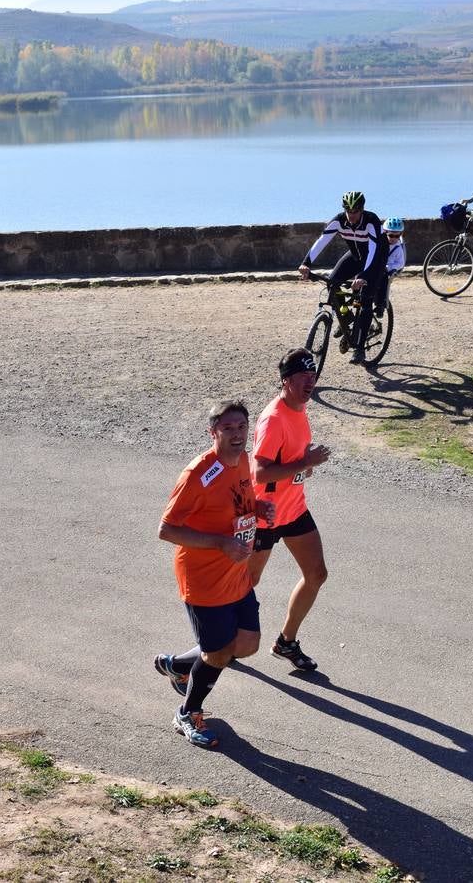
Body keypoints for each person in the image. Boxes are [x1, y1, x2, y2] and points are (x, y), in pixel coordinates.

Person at [154, 400, 276, 748]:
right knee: (219, 654)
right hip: (205, 580)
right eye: (228, 429)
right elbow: (166, 529)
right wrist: (220, 543)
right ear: (213, 433)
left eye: (241, 427)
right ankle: (187, 713)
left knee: (247, 644)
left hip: (235, 572)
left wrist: (258, 507)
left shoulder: (242, 461)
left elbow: (238, 502)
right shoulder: (197, 474)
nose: (237, 435)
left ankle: (177, 665)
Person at [248, 349, 333, 672]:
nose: (310, 383)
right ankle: (212, 643)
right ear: (286, 381)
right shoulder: (273, 418)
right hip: (265, 515)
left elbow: (292, 463)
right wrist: (305, 462)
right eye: (303, 377)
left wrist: (304, 462)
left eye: (313, 377)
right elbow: (260, 473)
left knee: (317, 574)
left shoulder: (299, 408)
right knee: (246, 583)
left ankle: (286, 642)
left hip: (293, 508)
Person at [298, 190, 387, 365]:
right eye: (348, 211)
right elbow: (322, 241)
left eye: (355, 211)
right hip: (355, 257)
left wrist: (363, 276)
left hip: (375, 260)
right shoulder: (339, 220)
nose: (351, 215)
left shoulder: (371, 221)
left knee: (365, 299)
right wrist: (306, 263)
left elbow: (373, 251)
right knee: (332, 283)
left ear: (362, 209)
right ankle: (346, 318)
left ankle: (360, 349)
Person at [381, 216, 406, 312]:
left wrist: (390, 267)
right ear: (385, 232)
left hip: (388, 270)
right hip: (379, 266)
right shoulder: (380, 243)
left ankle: (381, 303)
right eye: (391, 235)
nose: (394, 238)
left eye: (397, 236)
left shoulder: (398, 248)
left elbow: (401, 263)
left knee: (384, 281)